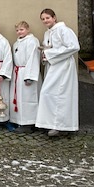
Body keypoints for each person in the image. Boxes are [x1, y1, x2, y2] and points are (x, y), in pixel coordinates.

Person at [36, 9, 80, 137]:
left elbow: (74, 46)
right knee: (48, 94)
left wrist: (49, 53)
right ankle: (50, 123)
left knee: (61, 95)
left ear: (54, 18)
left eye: (47, 18)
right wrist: (45, 53)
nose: (45, 21)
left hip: (63, 67)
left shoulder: (64, 30)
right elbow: (48, 48)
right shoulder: (47, 33)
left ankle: (61, 126)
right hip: (52, 66)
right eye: (43, 19)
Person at [10, 21, 42, 133]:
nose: (19, 32)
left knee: (28, 98)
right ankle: (20, 120)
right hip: (18, 72)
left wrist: (29, 77)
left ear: (28, 30)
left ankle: (29, 123)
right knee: (19, 98)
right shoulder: (16, 43)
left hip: (27, 73)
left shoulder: (32, 41)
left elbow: (33, 59)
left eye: (22, 29)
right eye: (17, 30)